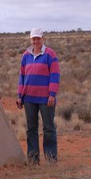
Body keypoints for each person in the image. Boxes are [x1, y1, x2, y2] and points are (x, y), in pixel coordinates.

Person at [16, 28, 60, 165]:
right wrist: (19, 95)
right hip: (29, 98)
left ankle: (51, 158)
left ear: (42, 39)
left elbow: (55, 75)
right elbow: (22, 76)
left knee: (48, 128)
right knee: (31, 129)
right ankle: (33, 159)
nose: (36, 41)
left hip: (46, 98)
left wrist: (52, 94)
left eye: (38, 39)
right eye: (33, 39)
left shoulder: (50, 54)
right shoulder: (26, 55)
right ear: (30, 39)